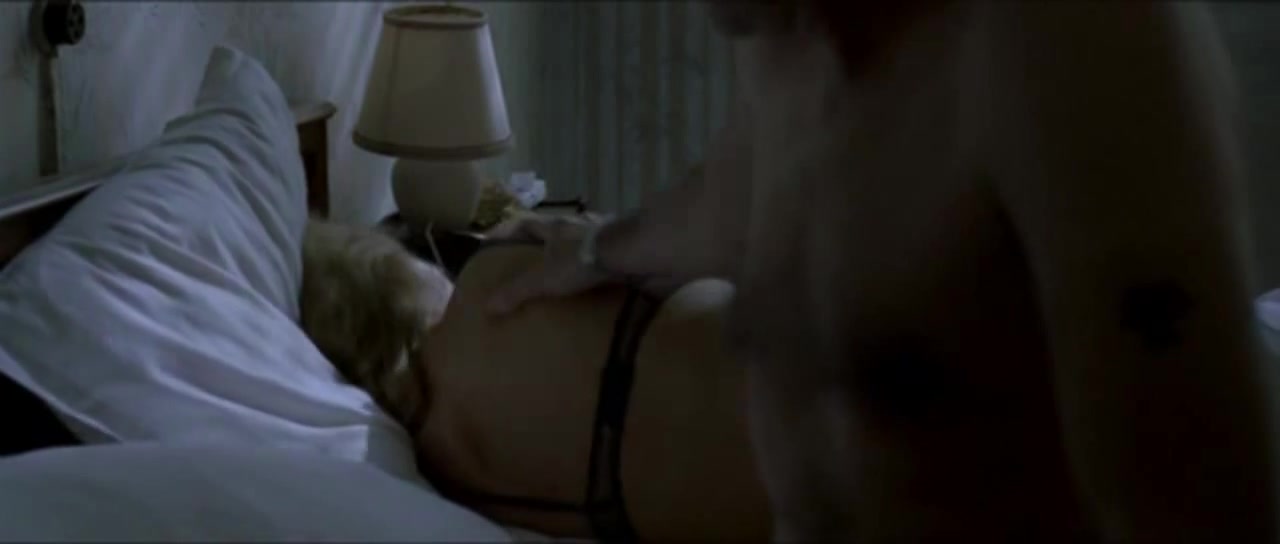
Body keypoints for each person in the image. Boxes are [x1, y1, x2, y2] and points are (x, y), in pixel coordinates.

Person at [484, 1, 1280, 542]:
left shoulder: (1073, 39)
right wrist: (594, 250)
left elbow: (1196, 510)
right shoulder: (788, 41)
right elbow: (732, 209)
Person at [299, 218, 772, 542]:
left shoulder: (450, 473)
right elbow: (669, 240)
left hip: (750, 509)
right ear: (391, 269)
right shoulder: (494, 269)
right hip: (761, 364)